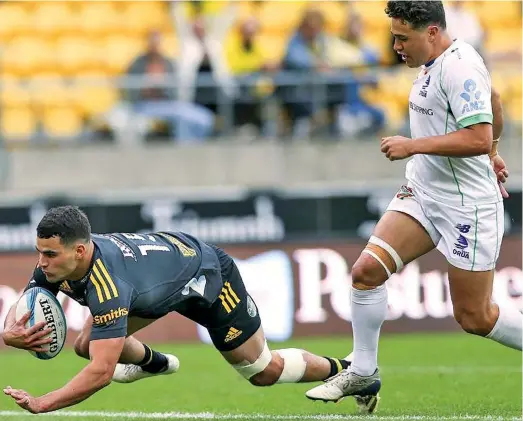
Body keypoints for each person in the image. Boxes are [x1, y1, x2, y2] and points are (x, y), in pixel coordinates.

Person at [305, 0, 521, 414]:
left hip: (467, 207)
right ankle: (363, 370)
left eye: (403, 38)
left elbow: (476, 134)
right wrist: (494, 152)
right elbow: (493, 100)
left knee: (476, 316)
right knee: (366, 273)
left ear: (433, 33)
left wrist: (416, 145)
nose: (396, 45)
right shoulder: (434, 63)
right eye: (394, 36)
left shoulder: (458, 67)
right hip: (424, 191)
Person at [2, 206, 351, 414]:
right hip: (161, 279)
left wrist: (42, 403)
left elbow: (101, 373)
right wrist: (8, 332)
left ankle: (346, 370)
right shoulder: (57, 263)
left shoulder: (109, 287)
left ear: (79, 251)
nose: (41, 262)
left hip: (207, 276)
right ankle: (158, 364)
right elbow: (27, 303)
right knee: (86, 343)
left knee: (262, 371)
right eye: (39, 252)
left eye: (49, 255)